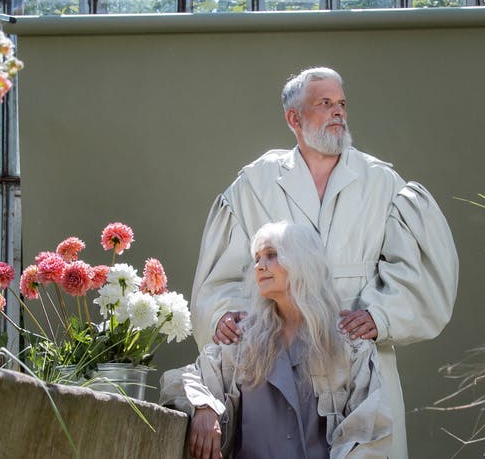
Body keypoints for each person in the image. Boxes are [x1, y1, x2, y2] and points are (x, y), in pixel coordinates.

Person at [191, 66, 459, 458]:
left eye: (342, 104)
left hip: (356, 362)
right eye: (325, 103)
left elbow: (419, 272)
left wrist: (381, 314)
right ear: (294, 118)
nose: (339, 112)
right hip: (275, 361)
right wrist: (222, 316)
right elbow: (223, 274)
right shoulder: (256, 182)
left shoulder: (381, 182)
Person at [162, 221, 392, 458]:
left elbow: (368, 433)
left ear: (303, 262)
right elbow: (184, 379)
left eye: (271, 255)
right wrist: (203, 406)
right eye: (257, 258)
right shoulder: (242, 337)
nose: (260, 266)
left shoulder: (349, 343)